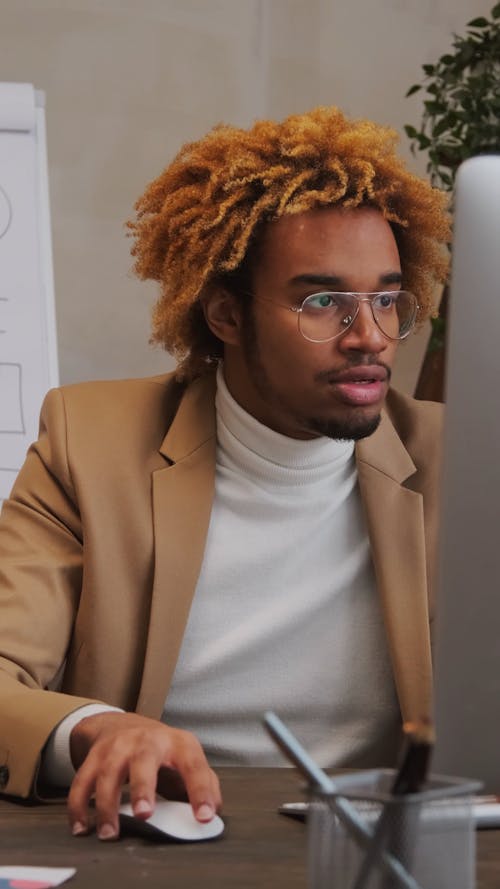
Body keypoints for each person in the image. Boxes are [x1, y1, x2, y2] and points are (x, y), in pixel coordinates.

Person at [0, 106, 450, 841]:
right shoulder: (90, 445)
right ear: (225, 315)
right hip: (165, 842)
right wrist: (98, 728)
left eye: (387, 299)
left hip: (382, 849)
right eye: (323, 301)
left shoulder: (461, 461)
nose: (369, 336)